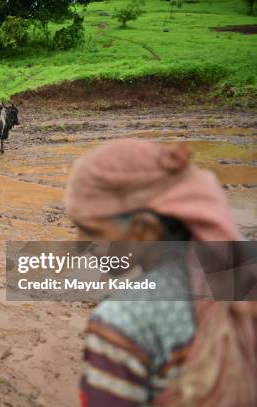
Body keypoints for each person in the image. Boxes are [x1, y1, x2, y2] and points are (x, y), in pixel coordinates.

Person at [64, 139, 256, 406]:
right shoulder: (244, 265)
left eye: (91, 231)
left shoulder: (123, 320)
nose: (79, 247)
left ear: (146, 228)